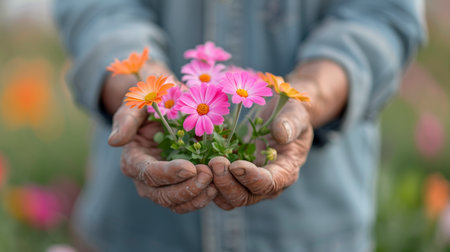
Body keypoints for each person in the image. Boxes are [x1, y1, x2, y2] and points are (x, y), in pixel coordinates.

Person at [54, 0, 425, 251]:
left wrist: (310, 93)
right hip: (136, 233)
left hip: (313, 232)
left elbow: (382, 15)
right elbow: (97, 8)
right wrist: (138, 85)